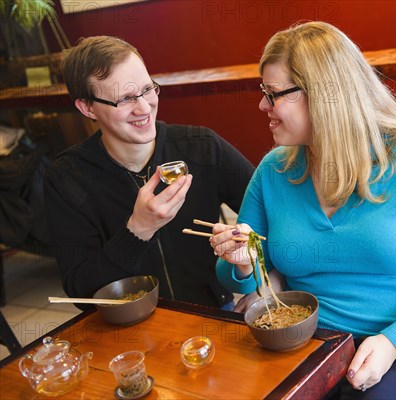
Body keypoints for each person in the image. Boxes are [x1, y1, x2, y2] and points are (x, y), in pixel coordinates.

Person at [211, 21, 396, 398]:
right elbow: (241, 278)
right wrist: (243, 262)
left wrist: (393, 343)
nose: (263, 105)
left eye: (273, 93)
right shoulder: (274, 170)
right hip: (316, 339)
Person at [44, 36, 254, 309]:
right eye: (125, 99)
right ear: (87, 107)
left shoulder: (202, 147)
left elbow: (273, 218)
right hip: (127, 329)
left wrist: (264, 280)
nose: (144, 108)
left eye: (147, 89)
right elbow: (81, 292)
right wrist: (138, 230)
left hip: (209, 313)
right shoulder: (67, 176)